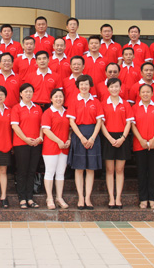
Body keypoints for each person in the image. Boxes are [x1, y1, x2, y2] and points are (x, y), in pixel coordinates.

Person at [67, 75, 104, 210]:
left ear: (90, 85)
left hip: (93, 134)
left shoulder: (96, 102)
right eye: (81, 84)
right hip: (79, 135)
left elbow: (99, 121)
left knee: (90, 168)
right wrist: (81, 137)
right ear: (78, 86)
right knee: (79, 168)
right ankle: (80, 198)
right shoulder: (74, 101)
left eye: (86, 84)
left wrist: (93, 137)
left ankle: (87, 197)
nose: (84, 86)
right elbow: (71, 121)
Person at [100, 78, 133, 209]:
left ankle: (118, 197)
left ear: (120, 88)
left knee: (119, 170)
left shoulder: (126, 104)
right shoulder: (103, 104)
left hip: (122, 138)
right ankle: (111, 198)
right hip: (108, 138)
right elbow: (101, 123)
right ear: (108, 88)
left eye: (116, 86)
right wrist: (109, 138)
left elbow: (129, 122)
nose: (114, 89)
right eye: (112, 87)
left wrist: (123, 138)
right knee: (109, 170)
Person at [131, 83, 154, 209]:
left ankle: (153, 198)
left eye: (148, 92)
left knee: (153, 172)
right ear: (139, 94)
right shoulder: (135, 108)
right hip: (140, 144)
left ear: (152, 94)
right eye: (143, 92)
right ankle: (143, 199)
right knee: (141, 172)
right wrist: (141, 139)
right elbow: (132, 125)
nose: (145, 94)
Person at [11, 83, 43, 209]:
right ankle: (22, 198)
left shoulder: (38, 108)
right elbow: (15, 126)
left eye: (30, 91)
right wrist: (25, 139)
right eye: (26, 91)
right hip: (21, 144)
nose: (28, 94)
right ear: (21, 93)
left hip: (36, 144)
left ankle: (30, 198)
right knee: (22, 171)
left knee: (32, 171)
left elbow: (42, 125)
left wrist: (40, 138)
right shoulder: (16, 108)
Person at [40, 88, 71, 210]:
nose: (59, 99)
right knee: (50, 171)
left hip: (64, 147)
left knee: (60, 173)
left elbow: (70, 129)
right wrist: (58, 141)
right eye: (56, 97)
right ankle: (49, 198)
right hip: (51, 147)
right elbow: (46, 130)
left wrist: (69, 139)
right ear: (51, 99)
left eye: (61, 96)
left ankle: (59, 197)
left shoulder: (67, 112)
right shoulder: (48, 113)